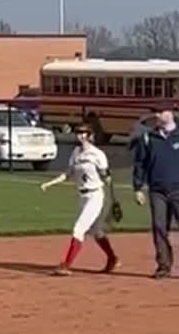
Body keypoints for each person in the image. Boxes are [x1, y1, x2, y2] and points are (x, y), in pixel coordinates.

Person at [40, 124, 120, 274]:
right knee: (96, 231)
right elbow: (68, 173)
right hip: (82, 196)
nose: (81, 136)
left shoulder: (97, 154)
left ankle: (66, 265)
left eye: (84, 133)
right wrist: (50, 183)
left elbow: (106, 176)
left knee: (78, 229)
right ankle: (112, 258)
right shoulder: (76, 152)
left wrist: (113, 198)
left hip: (95, 195)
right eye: (78, 133)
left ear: (90, 135)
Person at [131, 104, 179, 277]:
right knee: (159, 227)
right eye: (155, 113)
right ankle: (164, 265)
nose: (157, 116)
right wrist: (138, 187)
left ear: (170, 113)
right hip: (157, 190)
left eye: (160, 112)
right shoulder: (148, 137)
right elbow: (140, 163)